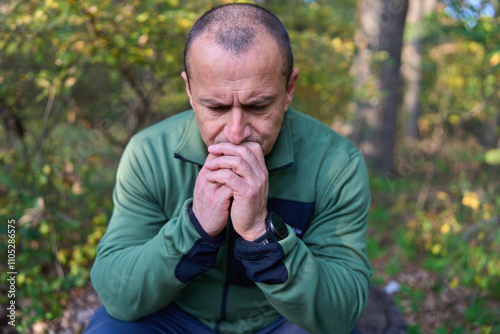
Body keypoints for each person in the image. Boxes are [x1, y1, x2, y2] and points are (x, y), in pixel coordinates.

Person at [86, 3, 371, 334]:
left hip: (281, 321)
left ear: (289, 90)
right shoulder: (149, 153)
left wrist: (262, 235)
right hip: (175, 318)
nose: (236, 132)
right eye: (216, 107)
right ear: (190, 91)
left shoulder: (336, 164)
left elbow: (343, 310)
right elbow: (117, 293)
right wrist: (194, 228)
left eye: (258, 105)